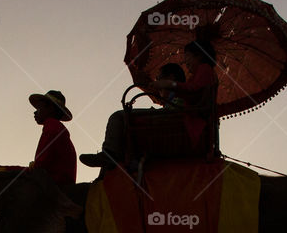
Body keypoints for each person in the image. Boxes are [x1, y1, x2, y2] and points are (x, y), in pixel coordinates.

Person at [80, 40, 218, 169]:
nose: (185, 61)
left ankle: (110, 154)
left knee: (118, 116)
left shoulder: (205, 69)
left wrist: (170, 84)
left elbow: (193, 91)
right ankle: (113, 158)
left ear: (199, 55)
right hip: (179, 117)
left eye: (187, 56)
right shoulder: (202, 74)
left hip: (179, 118)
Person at [27, 90, 77, 185]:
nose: (35, 112)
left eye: (39, 108)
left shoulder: (52, 125)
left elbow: (40, 165)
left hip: (55, 184)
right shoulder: (57, 127)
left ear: (50, 108)